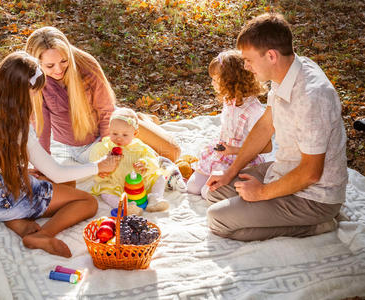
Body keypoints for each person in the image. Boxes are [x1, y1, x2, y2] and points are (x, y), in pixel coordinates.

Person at [0, 51, 120, 258]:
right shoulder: (18, 128)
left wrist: (22, 171)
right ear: (22, 91)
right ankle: (43, 235)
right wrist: (99, 166)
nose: (36, 96)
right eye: (34, 92)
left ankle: (19, 223)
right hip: (10, 197)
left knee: (51, 181)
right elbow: (58, 173)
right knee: (86, 201)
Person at [205, 13, 348, 241]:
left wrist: (261, 193)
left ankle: (318, 225)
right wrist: (230, 172)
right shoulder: (283, 72)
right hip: (284, 169)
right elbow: (265, 125)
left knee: (218, 219)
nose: (246, 67)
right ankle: (265, 202)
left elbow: (312, 173)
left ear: (271, 55)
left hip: (314, 197)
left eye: (249, 60)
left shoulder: (313, 96)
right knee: (212, 191)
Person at [25, 26, 181, 166]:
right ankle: (141, 120)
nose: (58, 70)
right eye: (50, 66)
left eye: (64, 61)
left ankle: (139, 119)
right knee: (139, 165)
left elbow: (106, 110)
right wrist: (43, 166)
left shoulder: (86, 65)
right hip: (83, 148)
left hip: (112, 126)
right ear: (37, 64)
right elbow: (40, 127)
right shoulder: (34, 81)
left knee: (172, 153)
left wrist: (111, 146)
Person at [187, 50, 271, 196]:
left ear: (230, 80)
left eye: (216, 79)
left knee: (207, 192)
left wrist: (233, 150)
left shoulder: (253, 111)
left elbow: (268, 147)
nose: (212, 83)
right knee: (193, 187)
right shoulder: (229, 99)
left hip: (241, 159)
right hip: (223, 153)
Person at [89, 107, 169, 214]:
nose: (119, 138)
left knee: (160, 177)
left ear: (135, 134)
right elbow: (96, 161)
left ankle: (155, 198)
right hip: (116, 183)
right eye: (114, 133)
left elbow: (152, 158)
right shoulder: (105, 147)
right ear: (109, 130)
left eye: (125, 135)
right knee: (105, 192)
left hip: (140, 183)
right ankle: (125, 206)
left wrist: (144, 163)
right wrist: (101, 172)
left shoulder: (139, 146)